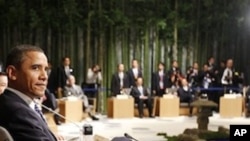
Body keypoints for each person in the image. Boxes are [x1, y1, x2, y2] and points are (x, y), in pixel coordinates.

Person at [0, 45, 63, 140]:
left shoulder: (10, 102)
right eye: (35, 68)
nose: (44, 76)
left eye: (46, 69)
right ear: (12, 73)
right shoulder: (19, 112)